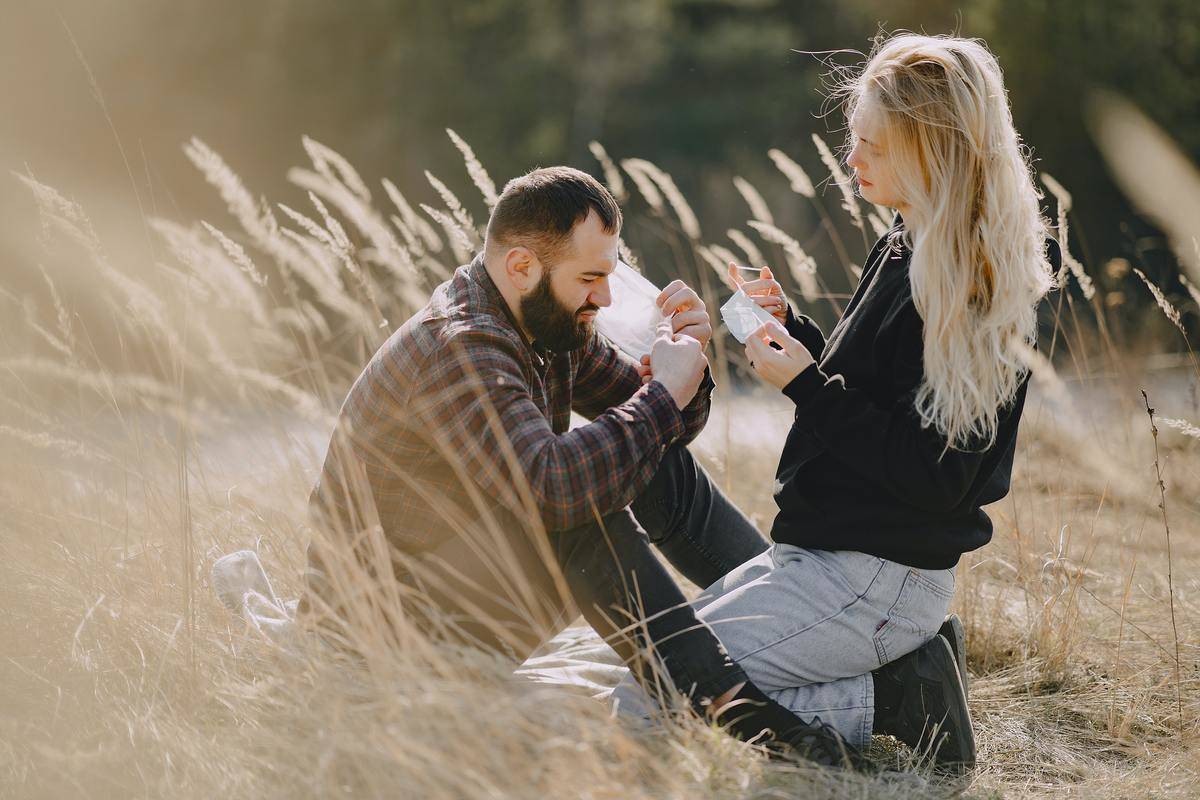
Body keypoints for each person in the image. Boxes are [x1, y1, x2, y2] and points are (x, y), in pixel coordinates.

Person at [297, 165, 856, 766]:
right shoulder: (463, 342)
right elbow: (555, 489)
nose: (606, 298)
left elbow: (660, 434)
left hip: (458, 593)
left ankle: (793, 606)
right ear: (521, 267)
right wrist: (660, 397)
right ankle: (739, 710)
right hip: (381, 633)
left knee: (646, 455)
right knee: (585, 510)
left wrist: (684, 370)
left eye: (609, 276)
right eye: (590, 278)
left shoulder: (546, 321)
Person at [613, 32, 1060, 770]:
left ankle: (895, 697)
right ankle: (900, 688)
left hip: (876, 579)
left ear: (933, 151)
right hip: (824, 556)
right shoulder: (908, 239)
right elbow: (880, 390)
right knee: (634, 652)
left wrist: (806, 387)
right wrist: (795, 331)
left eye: (873, 148)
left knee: (646, 690)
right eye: (854, 141)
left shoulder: (977, 291)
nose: (852, 161)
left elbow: (934, 476)